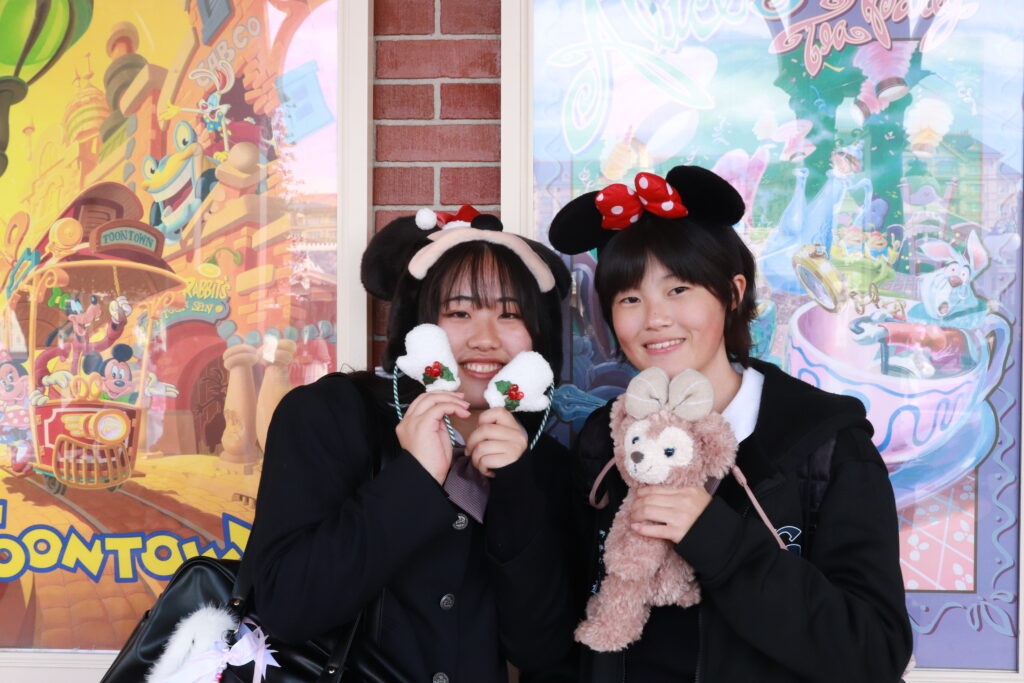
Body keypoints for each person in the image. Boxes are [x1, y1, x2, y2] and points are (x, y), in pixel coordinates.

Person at [548, 166, 913, 682]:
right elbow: (563, 631)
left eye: (678, 289)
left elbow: (873, 653)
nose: (654, 318)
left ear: (733, 292)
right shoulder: (603, 442)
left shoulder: (825, 444)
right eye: (629, 298)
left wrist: (718, 539)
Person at [244, 206, 575, 682]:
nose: (485, 339)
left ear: (539, 337)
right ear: (417, 326)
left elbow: (540, 647)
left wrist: (516, 487)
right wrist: (415, 477)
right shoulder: (329, 415)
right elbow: (286, 608)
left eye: (510, 314)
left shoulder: (545, 460)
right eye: (459, 312)